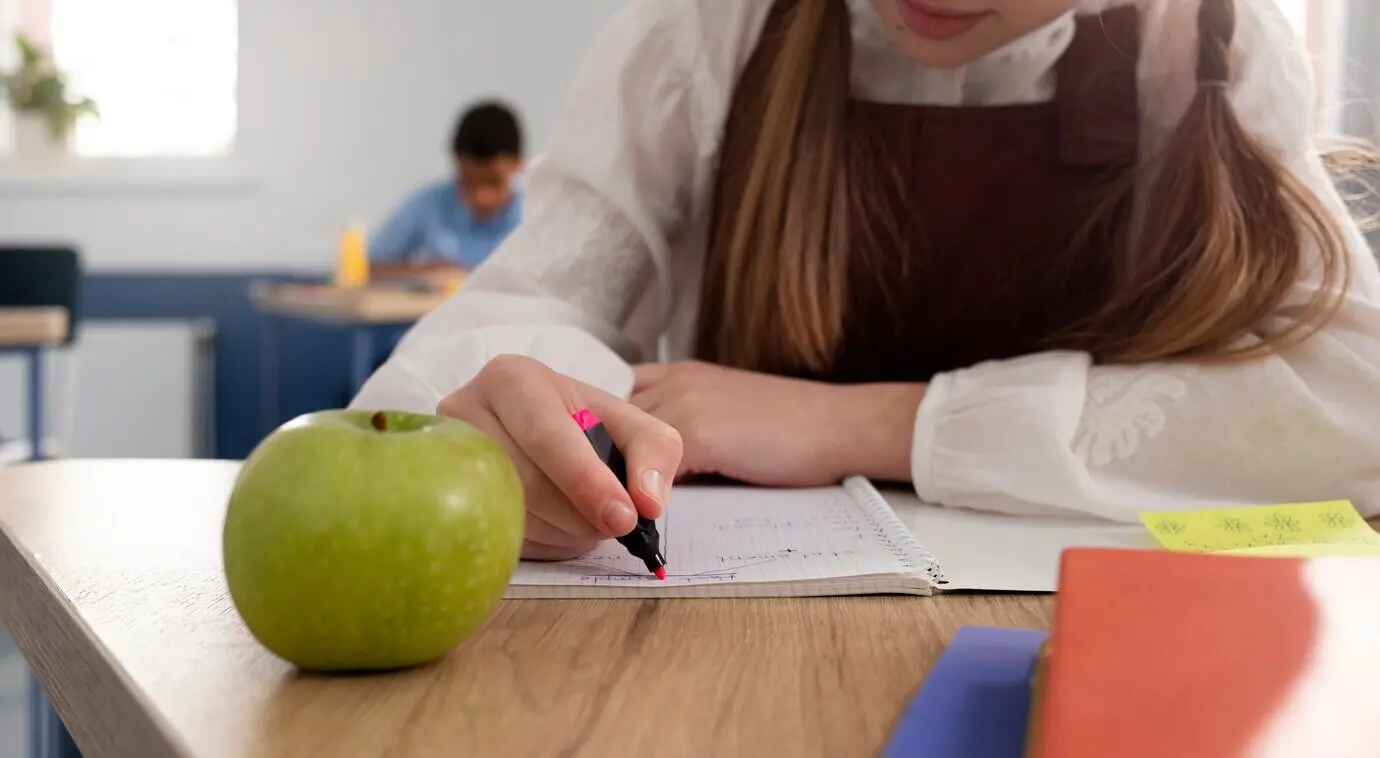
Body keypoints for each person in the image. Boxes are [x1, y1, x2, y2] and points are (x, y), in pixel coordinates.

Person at [353, 0, 1380, 564]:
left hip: (1107, 653)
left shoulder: (1212, 52)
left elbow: (1356, 400)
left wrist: (871, 424)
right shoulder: (710, 33)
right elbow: (531, 307)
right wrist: (515, 415)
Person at [368, 101, 525, 280]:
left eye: (494, 183)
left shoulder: (538, 214)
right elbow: (367, 268)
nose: (482, 197)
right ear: (455, 164)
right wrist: (427, 273)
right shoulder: (428, 203)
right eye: (469, 183)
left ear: (520, 165)